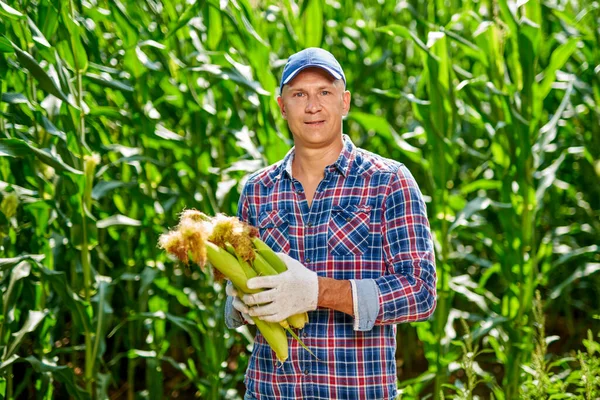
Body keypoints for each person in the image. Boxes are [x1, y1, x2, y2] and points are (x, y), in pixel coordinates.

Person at [225, 47, 437, 399]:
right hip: (269, 391)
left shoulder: (387, 181)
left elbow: (420, 292)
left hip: (354, 391)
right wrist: (237, 302)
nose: (312, 106)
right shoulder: (257, 190)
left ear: (345, 102)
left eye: (324, 92)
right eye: (299, 95)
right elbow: (247, 290)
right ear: (281, 106)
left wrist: (317, 292)